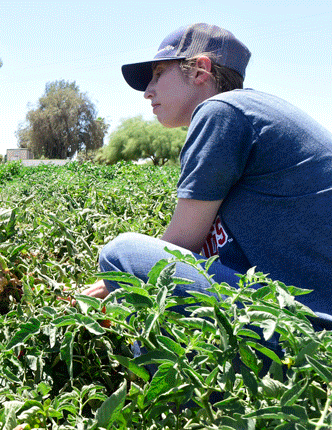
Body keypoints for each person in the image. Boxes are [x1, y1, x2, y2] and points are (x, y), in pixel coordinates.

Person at [82, 23, 332, 329]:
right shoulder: (252, 110)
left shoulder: (221, 111)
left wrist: (117, 282)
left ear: (200, 70)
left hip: (304, 325)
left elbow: (180, 245)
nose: (148, 92)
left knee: (120, 254)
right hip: (304, 317)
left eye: (159, 74)